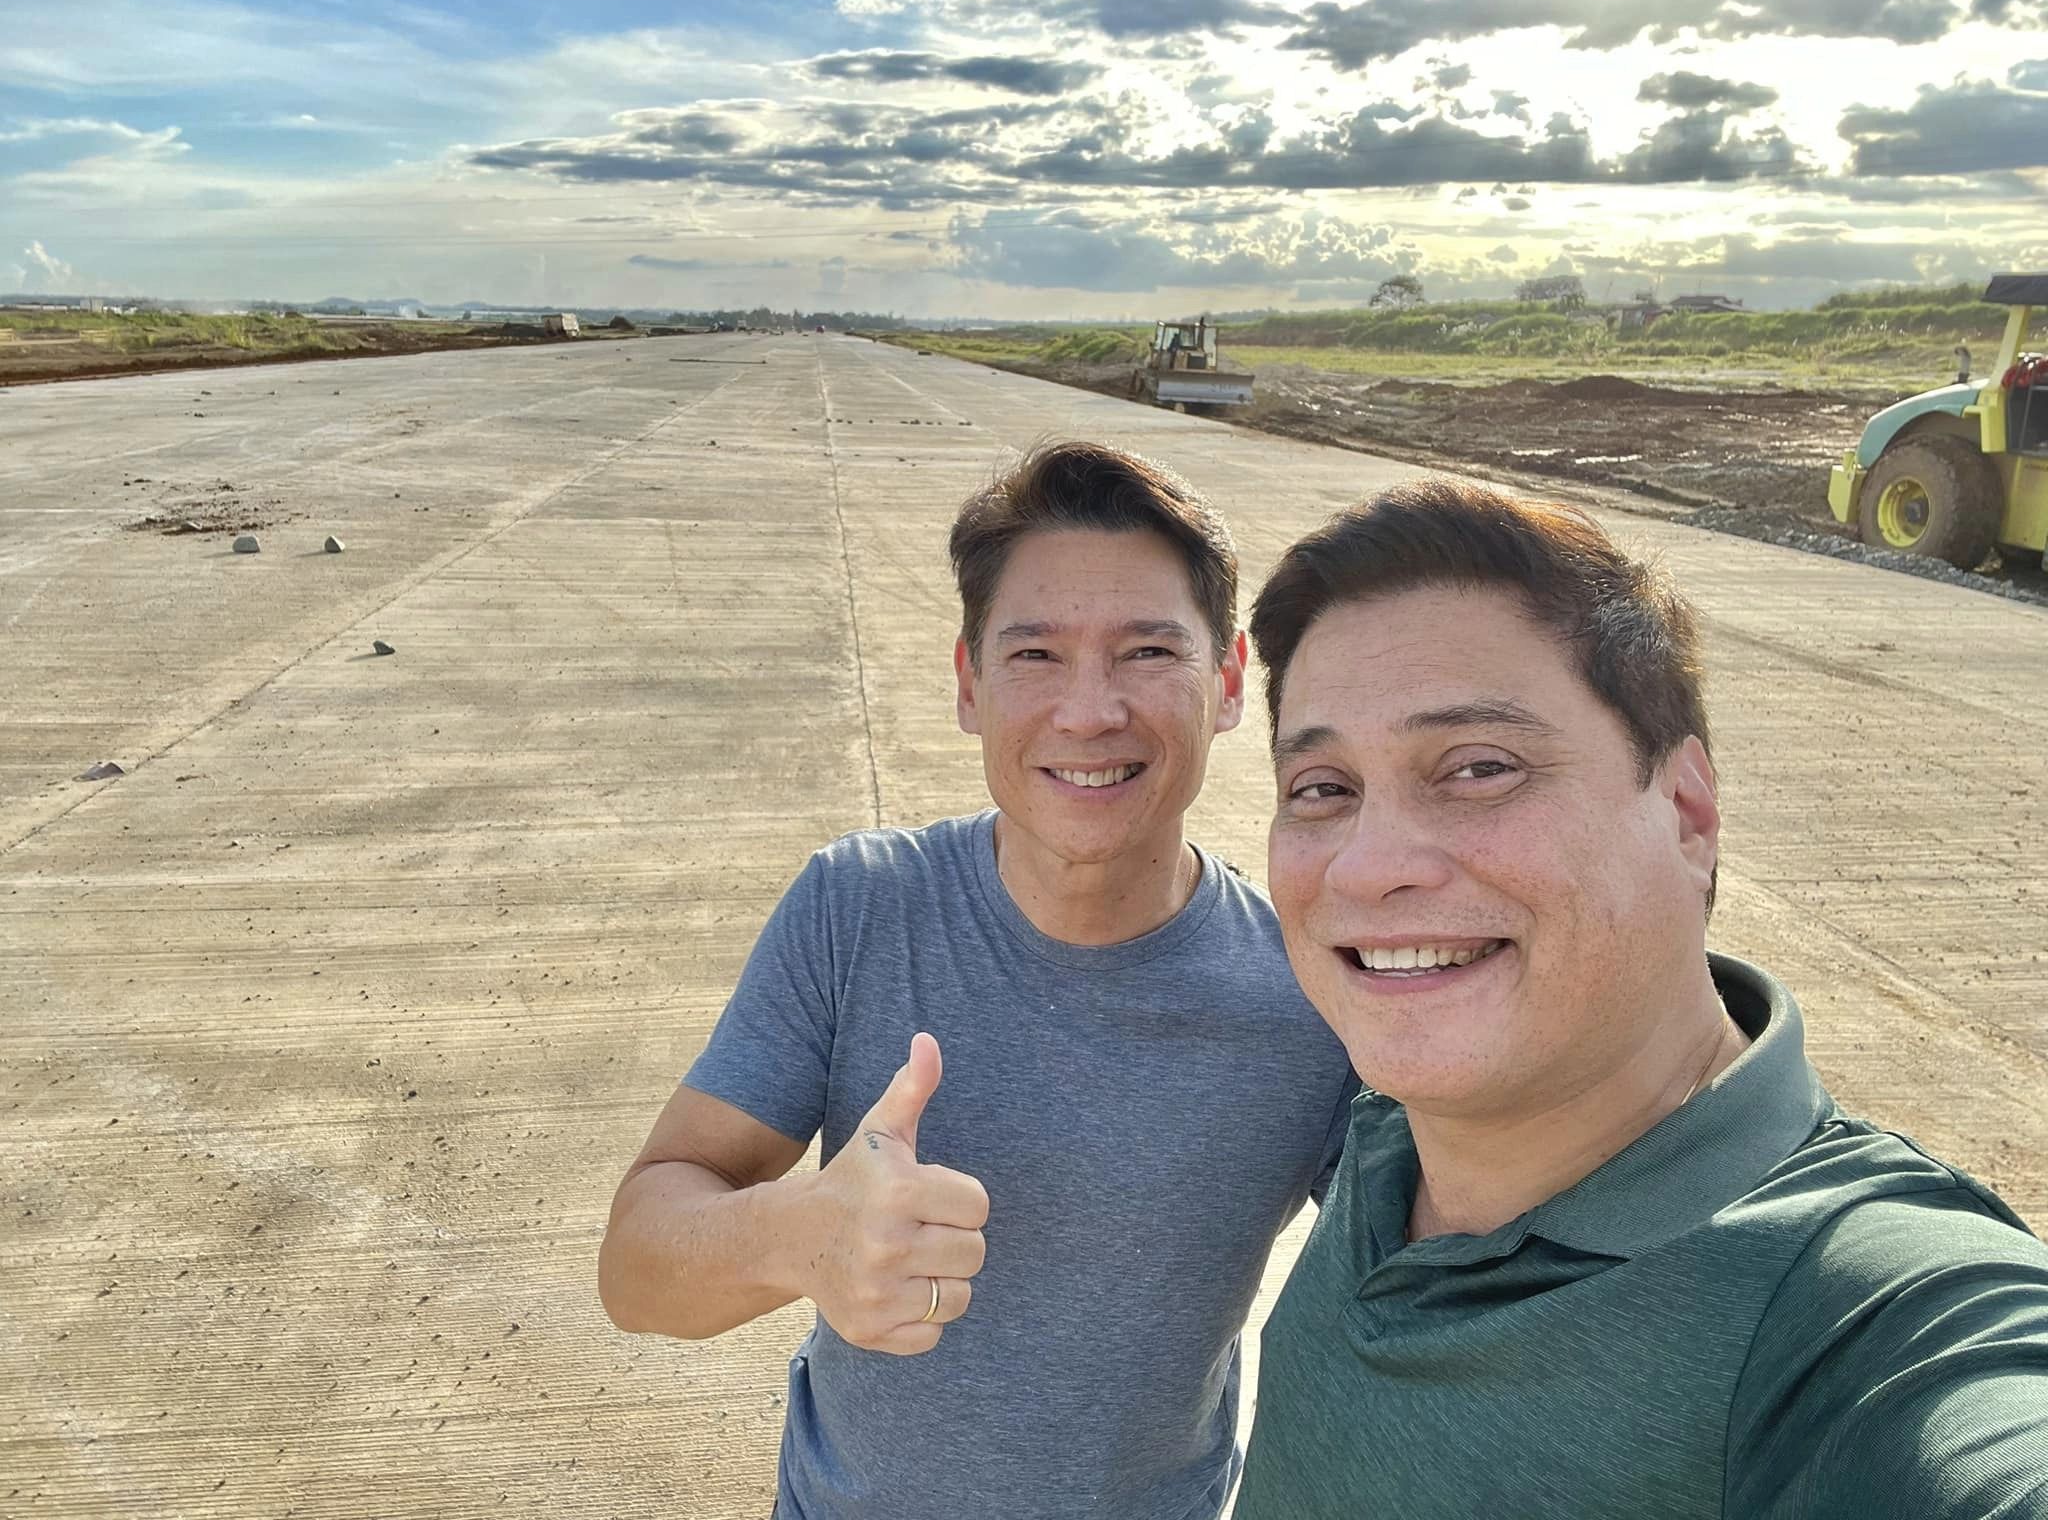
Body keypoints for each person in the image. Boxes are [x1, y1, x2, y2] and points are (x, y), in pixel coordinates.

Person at [1232, 476, 2048, 1519]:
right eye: (1322, 790)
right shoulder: (1392, 1134)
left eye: (1478, 767)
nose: (1364, 866)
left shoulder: (1860, 1312)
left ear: (1686, 814)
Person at [598, 440, 1355, 1520]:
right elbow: (635, 1271)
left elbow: (1447, 1296)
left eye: (1147, 652)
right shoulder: (857, 910)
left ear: (1229, 683)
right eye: (1035, 655)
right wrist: (796, 1237)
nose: (1088, 712)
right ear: (967, 683)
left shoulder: (1307, 998)